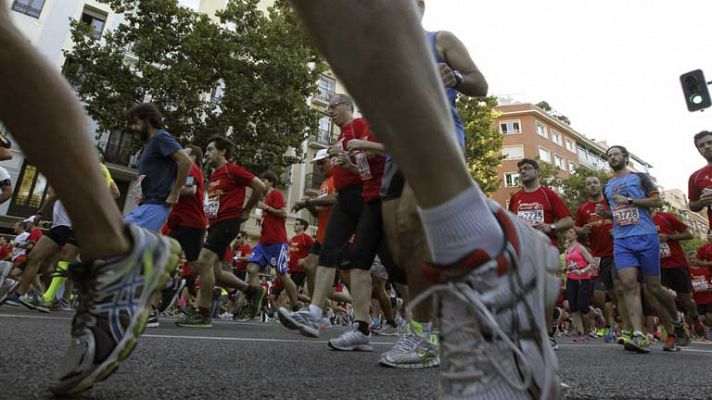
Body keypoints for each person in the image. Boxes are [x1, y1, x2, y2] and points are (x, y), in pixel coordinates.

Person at [290, 1, 561, 397]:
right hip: (394, 147)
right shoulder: (380, 49)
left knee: (417, 225)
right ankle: (496, 247)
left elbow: (479, 84)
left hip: (438, 131)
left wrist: (453, 78)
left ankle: (428, 332)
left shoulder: (441, 39)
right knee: (403, 244)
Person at [0, 6, 181, 395]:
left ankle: (118, 255)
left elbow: (179, 163)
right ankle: (115, 255)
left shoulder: (161, 139)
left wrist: (175, 192)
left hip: (154, 203)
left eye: (133, 122)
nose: (130, 129)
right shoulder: (150, 146)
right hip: (143, 202)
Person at [176, 136, 266, 327]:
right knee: (215, 272)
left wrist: (246, 211)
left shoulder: (232, 170)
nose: (206, 154)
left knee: (203, 262)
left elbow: (260, 186)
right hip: (215, 224)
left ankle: (203, 312)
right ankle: (251, 290)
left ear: (222, 151)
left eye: (210, 150)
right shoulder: (214, 174)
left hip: (229, 222)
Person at [602, 145, 684, 353]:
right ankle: (639, 335)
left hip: (646, 236)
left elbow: (657, 200)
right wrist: (606, 213)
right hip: (622, 239)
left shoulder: (640, 178)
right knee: (628, 285)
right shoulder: (608, 186)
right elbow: (617, 211)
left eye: (616, 154)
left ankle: (677, 320)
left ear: (626, 157)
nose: (612, 158)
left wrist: (631, 200)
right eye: (609, 156)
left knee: (654, 287)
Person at [246, 171, 302, 317]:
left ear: (270, 182)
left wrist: (267, 208)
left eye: (263, 180)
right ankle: (258, 300)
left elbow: (284, 213)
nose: (260, 183)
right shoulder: (265, 197)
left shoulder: (275, 194)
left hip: (277, 242)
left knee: (281, 274)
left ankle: (296, 307)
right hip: (263, 242)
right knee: (252, 269)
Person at [574, 176, 616, 341]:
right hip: (596, 256)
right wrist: (582, 230)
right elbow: (576, 227)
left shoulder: (610, 203)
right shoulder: (583, 209)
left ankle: (626, 327)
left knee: (617, 292)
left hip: (615, 252)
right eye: (588, 184)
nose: (592, 186)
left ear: (601, 186)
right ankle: (607, 325)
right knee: (598, 296)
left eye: (594, 183)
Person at [292, 148, 337, 303]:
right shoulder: (324, 183)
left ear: (333, 160)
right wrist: (307, 205)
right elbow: (319, 213)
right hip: (322, 235)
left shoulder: (339, 177)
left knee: (350, 277)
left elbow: (334, 199)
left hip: (339, 235)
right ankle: (316, 310)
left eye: (322, 163)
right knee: (310, 267)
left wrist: (307, 202)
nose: (320, 167)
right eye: (318, 164)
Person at [651, 209, 694, 347]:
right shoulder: (639, 221)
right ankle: (672, 334)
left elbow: (689, 234)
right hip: (656, 266)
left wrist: (669, 237)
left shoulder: (665, 217)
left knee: (686, 300)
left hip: (676, 263)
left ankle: (695, 318)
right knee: (660, 300)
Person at [508, 158, 573, 247]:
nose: (523, 171)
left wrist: (551, 227)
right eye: (520, 170)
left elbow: (568, 221)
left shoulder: (549, 194)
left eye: (527, 168)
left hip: (546, 249)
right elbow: (509, 224)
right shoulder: (515, 197)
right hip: (524, 251)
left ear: (537, 172)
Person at [563, 229, 595, 342]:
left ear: (576, 235)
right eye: (567, 233)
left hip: (583, 279)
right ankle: (580, 332)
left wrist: (582, 271)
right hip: (571, 279)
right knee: (573, 307)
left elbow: (593, 263)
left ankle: (595, 317)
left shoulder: (580, 248)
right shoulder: (567, 249)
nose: (568, 234)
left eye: (571, 232)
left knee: (582, 304)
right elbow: (570, 265)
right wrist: (567, 271)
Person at [688, 130, 712, 227]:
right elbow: (692, 205)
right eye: (701, 145)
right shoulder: (695, 177)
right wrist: (702, 202)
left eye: (710, 142)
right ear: (699, 150)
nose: (706, 146)